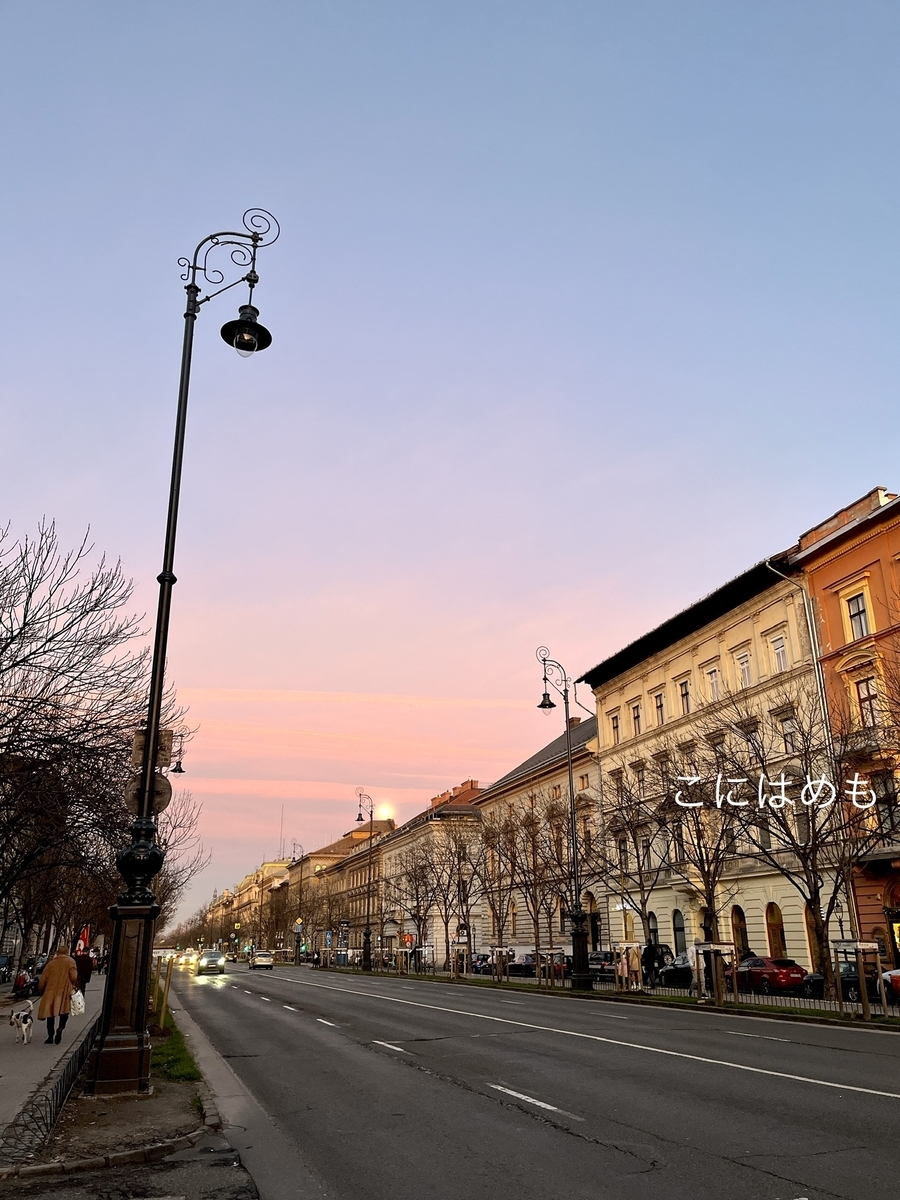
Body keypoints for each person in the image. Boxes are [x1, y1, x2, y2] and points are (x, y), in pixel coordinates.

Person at [38, 945, 78, 1045]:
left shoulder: (51, 963)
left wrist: (41, 990)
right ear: (67, 952)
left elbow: (43, 979)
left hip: (51, 991)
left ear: (57, 952)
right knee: (64, 1013)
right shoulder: (71, 962)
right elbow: (73, 977)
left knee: (50, 1014)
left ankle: (50, 1036)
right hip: (64, 991)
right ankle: (60, 1028)